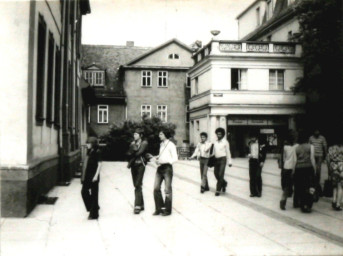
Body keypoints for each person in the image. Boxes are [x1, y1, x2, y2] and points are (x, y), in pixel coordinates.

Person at [153, 129, 178, 216]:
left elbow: (175, 158)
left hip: (167, 168)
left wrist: (167, 161)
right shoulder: (161, 144)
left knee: (167, 190)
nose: (159, 136)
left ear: (165, 135)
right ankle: (159, 208)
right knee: (156, 188)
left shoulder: (171, 145)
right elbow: (162, 155)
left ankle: (167, 210)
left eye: (161, 134)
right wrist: (158, 159)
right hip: (159, 168)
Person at [127, 129, 148, 214]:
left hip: (140, 165)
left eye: (136, 134)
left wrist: (133, 151)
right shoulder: (132, 143)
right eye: (134, 134)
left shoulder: (144, 143)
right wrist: (132, 151)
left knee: (137, 184)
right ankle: (141, 204)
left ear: (140, 135)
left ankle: (137, 206)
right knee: (136, 185)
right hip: (133, 166)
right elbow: (128, 153)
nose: (134, 136)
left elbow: (139, 153)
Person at [294, 130, 316, 213]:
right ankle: (309, 205)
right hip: (308, 168)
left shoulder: (297, 148)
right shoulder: (311, 146)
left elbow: (295, 160)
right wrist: (314, 169)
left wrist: (294, 170)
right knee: (309, 187)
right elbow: (312, 158)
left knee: (301, 187)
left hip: (299, 169)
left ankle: (303, 205)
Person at [81, 137, 101, 220]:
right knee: (83, 192)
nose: (87, 145)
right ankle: (94, 207)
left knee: (94, 194)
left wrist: (96, 176)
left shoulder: (97, 152)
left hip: (94, 176)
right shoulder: (89, 151)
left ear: (93, 144)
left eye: (88, 143)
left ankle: (94, 214)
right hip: (87, 176)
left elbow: (100, 164)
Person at [279, 132, 297, 210]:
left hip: (285, 167)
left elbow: (282, 159)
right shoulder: (295, 147)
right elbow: (295, 159)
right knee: (295, 185)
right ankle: (296, 202)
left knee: (286, 186)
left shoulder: (284, 148)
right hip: (292, 168)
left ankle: (283, 201)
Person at [212, 127, 232, 196]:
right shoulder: (215, 142)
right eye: (217, 134)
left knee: (220, 174)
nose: (218, 135)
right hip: (216, 159)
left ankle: (218, 190)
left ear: (223, 135)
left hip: (223, 159)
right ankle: (224, 183)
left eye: (220, 134)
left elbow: (228, 152)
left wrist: (230, 161)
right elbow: (213, 152)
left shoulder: (225, 142)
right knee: (215, 173)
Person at [309, 129, 328, 198]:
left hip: (320, 156)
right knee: (313, 170)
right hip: (313, 156)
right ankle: (315, 184)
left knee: (318, 171)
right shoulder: (311, 138)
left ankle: (317, 184)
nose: (317, 132)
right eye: (315, 131)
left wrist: (325, 156)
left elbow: (325, 147)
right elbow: (309, 147)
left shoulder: (322, 138)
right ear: (314, 132)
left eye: (318, 131)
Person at [248, 134, 267, 198]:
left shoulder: (261, 144)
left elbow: (264, 153)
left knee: (258, 176)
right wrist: (249, 155)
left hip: (258, 162)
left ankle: (259, 192)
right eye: (251, 137)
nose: (251, 139)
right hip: (252, 161)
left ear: (256, 137)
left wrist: (262, 161)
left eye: (253, 137)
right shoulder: (249, 144)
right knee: (252, 177)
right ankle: (253, 192)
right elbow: (248, 151)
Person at [326, 139, 343, 211]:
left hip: (333, 166)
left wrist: (329, 169)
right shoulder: (342, 148)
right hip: (341, 167)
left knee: (334, 185)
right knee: (340, 186)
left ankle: (334, 200)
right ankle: (338, 204)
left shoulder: (330, 148)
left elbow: (327, 159)